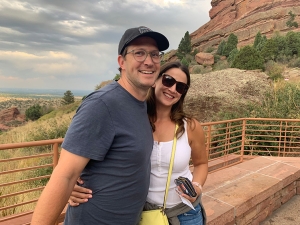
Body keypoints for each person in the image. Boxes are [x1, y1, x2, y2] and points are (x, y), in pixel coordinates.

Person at [31, 26, 169, 225]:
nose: (149, 61)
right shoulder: (102, 105)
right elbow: (65, 175)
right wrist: (69, 188)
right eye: (139, 53)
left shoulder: (141, 104)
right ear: (121, 62)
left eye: (155, 54)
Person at [69, 61, 208, 225]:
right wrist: (71, 185)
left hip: (185, 215)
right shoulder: (132, 121)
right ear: (156, 79)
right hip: (143, 215)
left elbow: (201, 163)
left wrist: (197, 186)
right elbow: (86, 153)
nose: (172, 89)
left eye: (180, 87)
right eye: (168, 80)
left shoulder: (190, 126)